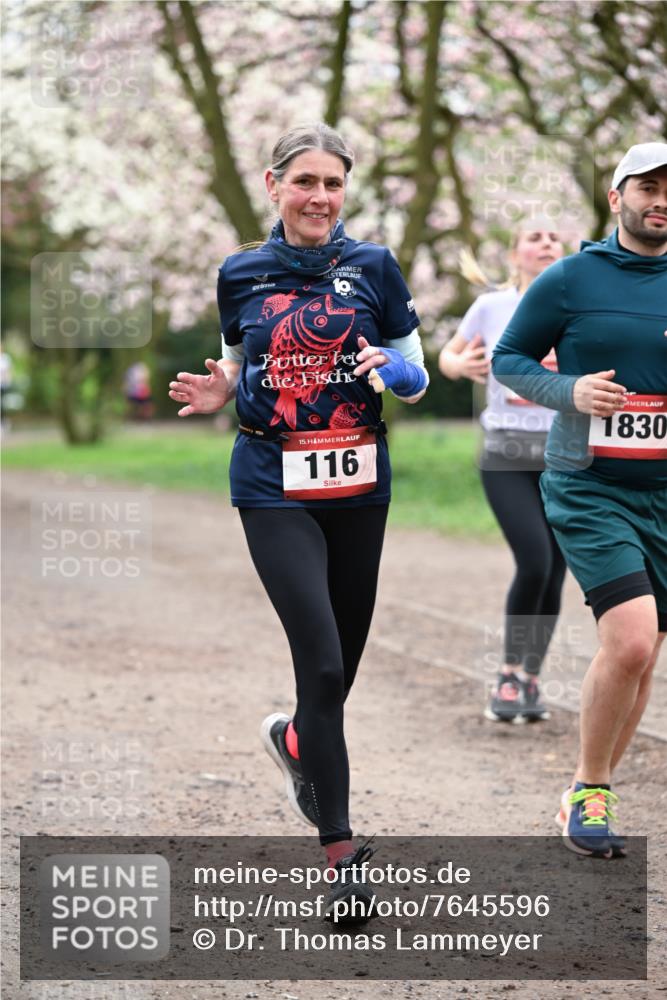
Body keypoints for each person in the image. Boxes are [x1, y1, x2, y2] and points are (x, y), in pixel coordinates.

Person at [169, 122, 428, 915]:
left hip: (356, 483)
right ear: (274, 184)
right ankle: (342, 861)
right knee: (318, 664)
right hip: (271, 482)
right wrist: (222, 392)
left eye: (333, 184)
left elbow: (416, 378)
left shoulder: (374, 267)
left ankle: (294, 741)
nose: (320, 197)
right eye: (305, 181)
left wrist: (394, 366)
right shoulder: (239, 273)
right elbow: (244, 363)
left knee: (337, 674)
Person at [492, 142, 667, 858]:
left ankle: (582, 794)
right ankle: (590, 788)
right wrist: (568, 391)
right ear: (615, 196)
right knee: (627, 640)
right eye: (648, 186)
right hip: (591, 485)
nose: (660, 200)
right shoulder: (568, 279)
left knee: (644, 656)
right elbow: (509, 359)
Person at [438, 224, 567, 723]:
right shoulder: (492, 307)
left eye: (555, 238)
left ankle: (530, 681)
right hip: (506, 455)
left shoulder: (573, 304)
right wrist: (458, 365)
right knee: (534, 559)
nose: (547, 243)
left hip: (566, 457)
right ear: (515, 254)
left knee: (556, 570)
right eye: (535, 237)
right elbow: (449, 354)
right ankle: (508, 675)